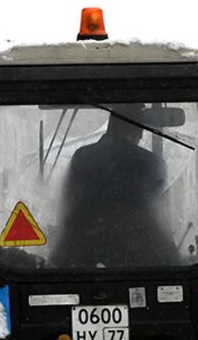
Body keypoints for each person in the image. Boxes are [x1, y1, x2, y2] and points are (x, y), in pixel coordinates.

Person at [53, 110, 178, 268]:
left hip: (82, 253)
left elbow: (69, 202)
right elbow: (157, 211)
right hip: (139, 252)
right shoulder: (151, 162)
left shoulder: (83, 156)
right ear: (138, 130)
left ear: (111, 126)